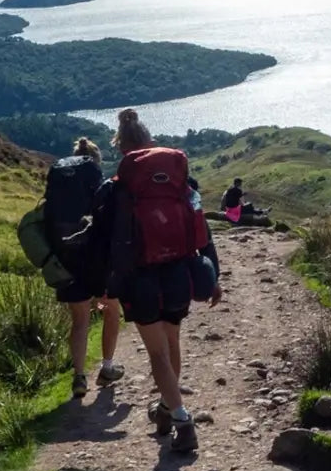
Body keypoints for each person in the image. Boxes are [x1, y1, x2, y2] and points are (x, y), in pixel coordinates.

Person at [87, 109, 222, 453]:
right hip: (179, 272)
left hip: (139, 279)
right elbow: (201, 230)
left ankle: (181, 418)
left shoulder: (114, 190)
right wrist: (213, 275)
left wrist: (101, 285)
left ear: (121, 149)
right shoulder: (183, 185)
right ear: (150, 142)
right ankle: (165, 409)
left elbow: (100, 243)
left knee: (157, 353)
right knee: (172, 343)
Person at [50, 137, 123, 398]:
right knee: (109, 310)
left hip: (69, 260)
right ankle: (107, 367)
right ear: (97, 160)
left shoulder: (60, 181)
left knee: (80, 319)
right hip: (97, 263)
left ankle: (79, 378)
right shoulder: (98, 183)